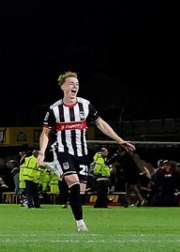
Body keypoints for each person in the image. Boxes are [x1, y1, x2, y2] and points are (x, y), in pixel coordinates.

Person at [36, 72, 135, 231]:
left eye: (77, 83)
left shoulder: (85, 105)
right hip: (63, 151)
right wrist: (41, 152)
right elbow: (45, 132)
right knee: (74, 184)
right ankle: (81, 224)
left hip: (82, 154)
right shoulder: (55, 109)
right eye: (71, 83)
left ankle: (77, 214)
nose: (75, 86)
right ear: (62, 87)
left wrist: (119, 140)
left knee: (80, 191)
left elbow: (101, 124)